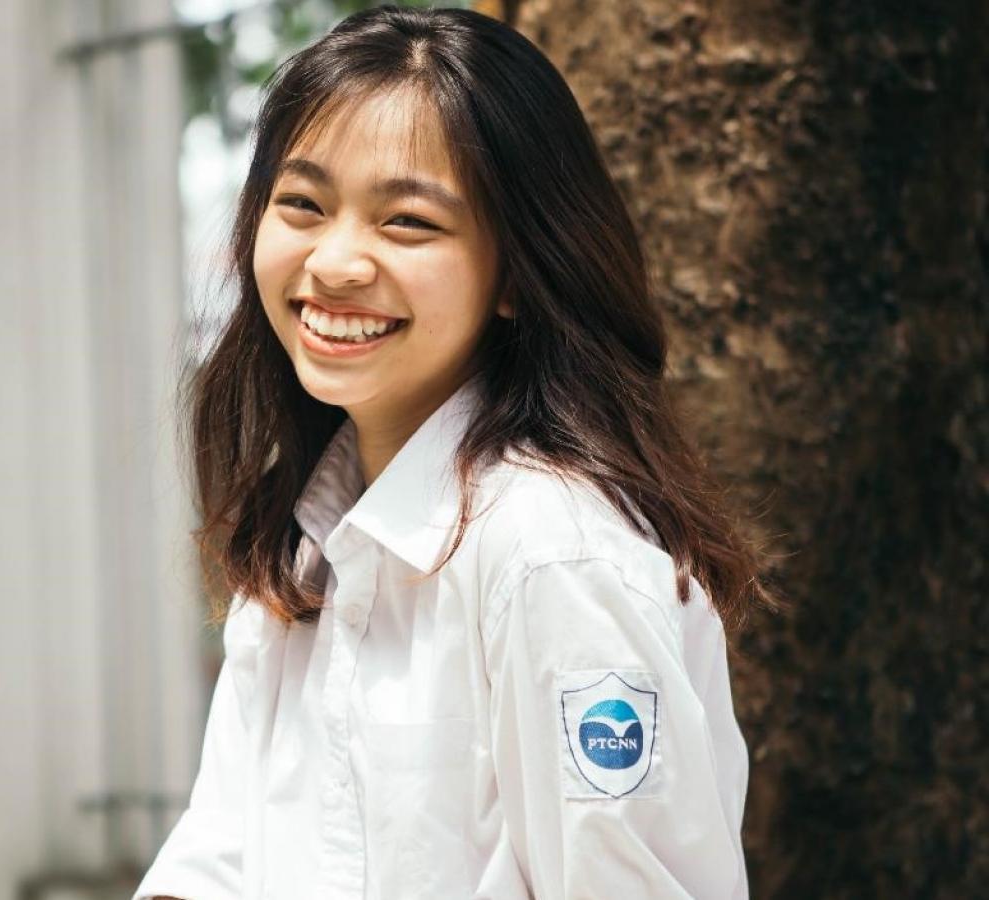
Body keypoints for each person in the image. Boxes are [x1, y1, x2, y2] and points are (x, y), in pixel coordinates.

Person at [135, 6, 779, 899]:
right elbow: (216, 863)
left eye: (407, 222)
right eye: (303, 205)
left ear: (516, 272)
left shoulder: (552, 555)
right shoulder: (307, 546)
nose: (335, 262)